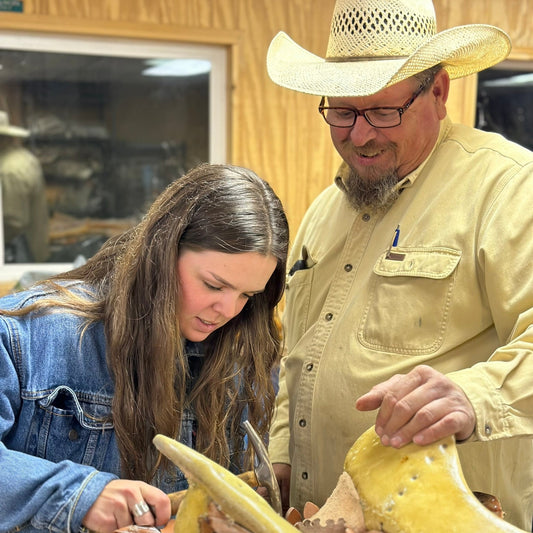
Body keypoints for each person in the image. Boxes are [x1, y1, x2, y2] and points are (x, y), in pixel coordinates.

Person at [265, 0, 533, 529]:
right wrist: (281, 456)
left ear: (438, 91)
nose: (360, 136)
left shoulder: (509, 187)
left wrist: (474, 394)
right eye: (342, 112)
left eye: (384, 112)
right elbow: (299, 357)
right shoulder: (323, 212)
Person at [0, 162, 289, 532]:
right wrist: (79, 495)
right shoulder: (26, 335)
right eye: (214, 285)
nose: (228, 311)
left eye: (247, 295)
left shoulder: (242, 357)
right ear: (162, 253)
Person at [0, 110, 49, 262]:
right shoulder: (24, 157)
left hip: (19, 257)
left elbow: (13, 223)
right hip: (34, 249)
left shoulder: (8, 171)